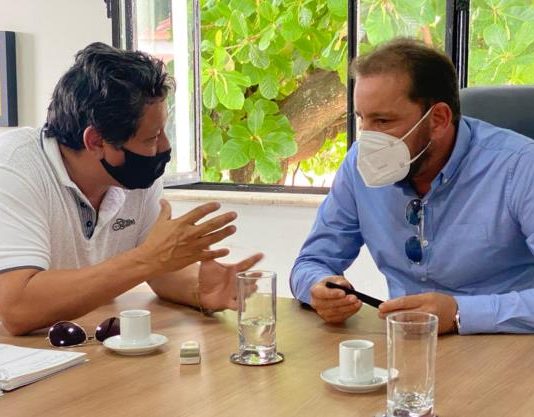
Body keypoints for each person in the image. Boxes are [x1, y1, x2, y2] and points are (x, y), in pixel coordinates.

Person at [0, 42, 262, 336]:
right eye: (151, 138)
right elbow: (16, 308)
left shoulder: (133, 178)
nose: (164, 147)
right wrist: (148, 259)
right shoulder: (13, 168)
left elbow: (156, 268)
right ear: (96, 142)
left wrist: (199, 288)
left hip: (78, 344)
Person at [291, 37, 534, 335]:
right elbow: (311, 262)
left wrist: (460, 313)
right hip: (406, 344)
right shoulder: (358, 165)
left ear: (439, 119)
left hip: (507, 347)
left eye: (383, 121)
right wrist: (318, 288)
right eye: (362, 119)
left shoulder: (520, 166)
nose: (368, 139)